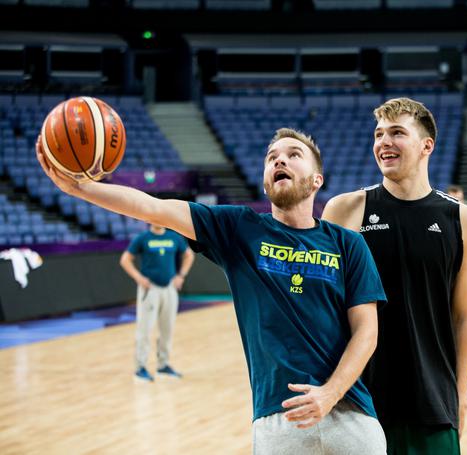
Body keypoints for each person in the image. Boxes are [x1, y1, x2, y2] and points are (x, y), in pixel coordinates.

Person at [36, 128, 387, 454]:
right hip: (279, 419)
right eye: (271, 157)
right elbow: (153, 207)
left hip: (350, 413)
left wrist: (330, 393)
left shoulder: (348, 244)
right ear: (265, 183)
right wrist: (79, 189)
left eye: (294, 154)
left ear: (316, 180)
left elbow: (367, 331)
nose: (279, 160)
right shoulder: (239, 228)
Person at [323, 98, 467, 455]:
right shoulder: (345, 210)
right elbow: (322, 307)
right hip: (359, 402)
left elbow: (463, 317)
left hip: (433, 401)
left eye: (397, 133)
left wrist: (460, 396)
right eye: (379, 134)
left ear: (427, 145)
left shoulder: (463, 221)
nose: (384, 142)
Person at [120, 223, 194, 381]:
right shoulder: (143, 238)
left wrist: (181, 275)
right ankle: (140, 368)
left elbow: (189, 255)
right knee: (145, 329)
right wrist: (138, 277)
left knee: (167, 329)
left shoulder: (174, 237)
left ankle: (163, 366)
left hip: (169, 288)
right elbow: (125, 259)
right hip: (150, 289)